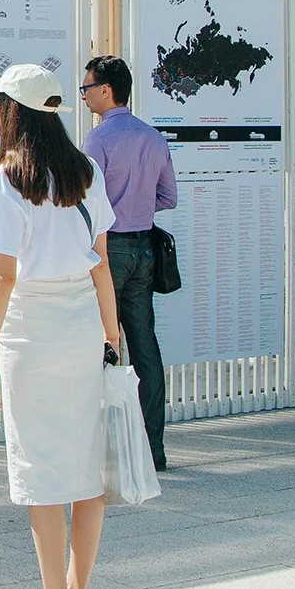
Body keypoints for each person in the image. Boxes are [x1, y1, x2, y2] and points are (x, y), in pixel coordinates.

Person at [0, 63, 123, 589]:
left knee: (39, 466)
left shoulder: (8, 177)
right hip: (83, 323)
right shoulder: (85, 170)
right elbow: (101, 260)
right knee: (87, 466)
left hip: (31, 331)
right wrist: (111, 335)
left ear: (14, 111)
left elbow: (1, 275)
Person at [79, 53, 176, 470]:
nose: (82, 96)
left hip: (108, 250)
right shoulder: (154, 138)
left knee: (99, 343)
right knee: (145, 346)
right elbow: (168, 197)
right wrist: (136, 208)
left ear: (105, 90)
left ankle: (105, 452)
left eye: (86, 88)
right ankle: (153, 450)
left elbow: (85, 202)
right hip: (145, 247)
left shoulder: (97, 140)